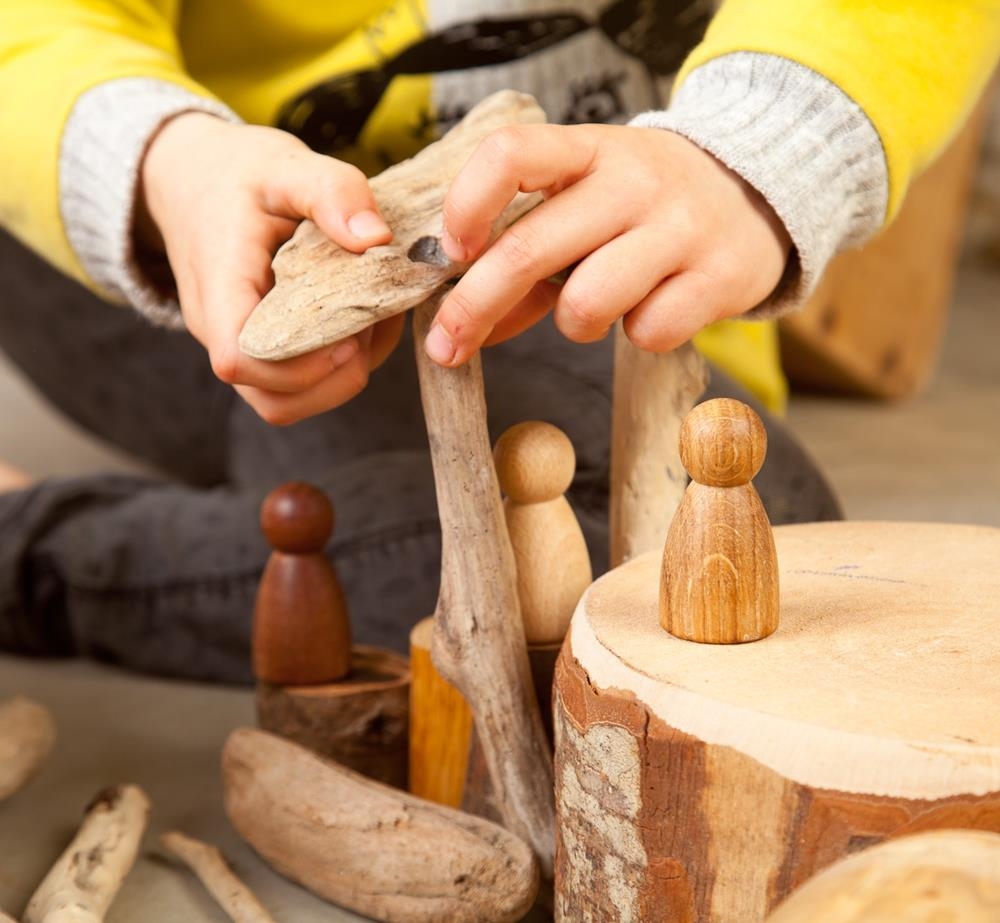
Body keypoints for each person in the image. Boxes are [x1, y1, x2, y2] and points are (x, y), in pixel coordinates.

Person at [0, 1, 996, 682]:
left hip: (602, 294)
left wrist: (763, 147)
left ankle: (54, 540)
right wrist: (152, 157)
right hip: (150, 225)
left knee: (714, 576)